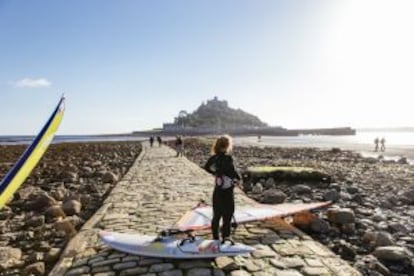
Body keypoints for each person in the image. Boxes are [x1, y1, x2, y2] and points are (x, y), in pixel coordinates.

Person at [204, 135, 241, 243]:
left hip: (217, 191)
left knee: (216, 215)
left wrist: (215, 173)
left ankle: (215, 238)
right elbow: (233, 173)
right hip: (227, 192)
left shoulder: (213, 158)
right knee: (228, 215)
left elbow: (206, 167)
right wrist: (239, 179)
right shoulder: (228, 158)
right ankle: (226, 237)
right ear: (228, 145)